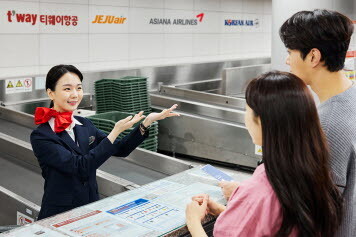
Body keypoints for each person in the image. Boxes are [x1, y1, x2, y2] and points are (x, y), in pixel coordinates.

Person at [220, 9, 356, 236]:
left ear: (313, 56)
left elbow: (311, 206)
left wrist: (246, 197)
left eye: (290, 51)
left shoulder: (327, 124)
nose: (287, 60)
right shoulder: (350, 98)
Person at [185, 71, 344, 236]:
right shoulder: (313, 171)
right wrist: (227, 211)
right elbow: (268, 225)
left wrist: (193, 221)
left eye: (246, 110)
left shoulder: (260, 190)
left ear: (260, 121)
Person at [31, 64, 179, 220]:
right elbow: (80, 167)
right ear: (51, 93)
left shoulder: (84, 124)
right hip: (60, 214)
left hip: (91, 207)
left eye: (79, 88)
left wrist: (145, 123)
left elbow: (120, 149)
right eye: (67, 89)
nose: (75, 94)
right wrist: (115, 131)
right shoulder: (42, 136)